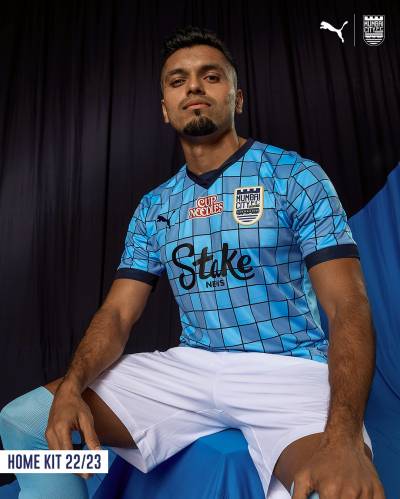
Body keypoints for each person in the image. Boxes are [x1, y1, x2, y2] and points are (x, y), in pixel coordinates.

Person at [0, 26, 385, 499]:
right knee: (24, 424)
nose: (195, 87)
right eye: (178, 81)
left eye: (211, 76)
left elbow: (348, 305)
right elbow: (118, 314)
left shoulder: (295, 177)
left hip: (286, 369)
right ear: (166, 108)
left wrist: (344, 437)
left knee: (333, 490)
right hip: (191, 369)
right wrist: (72, 386)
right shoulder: (155, 206)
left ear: (237, 99)